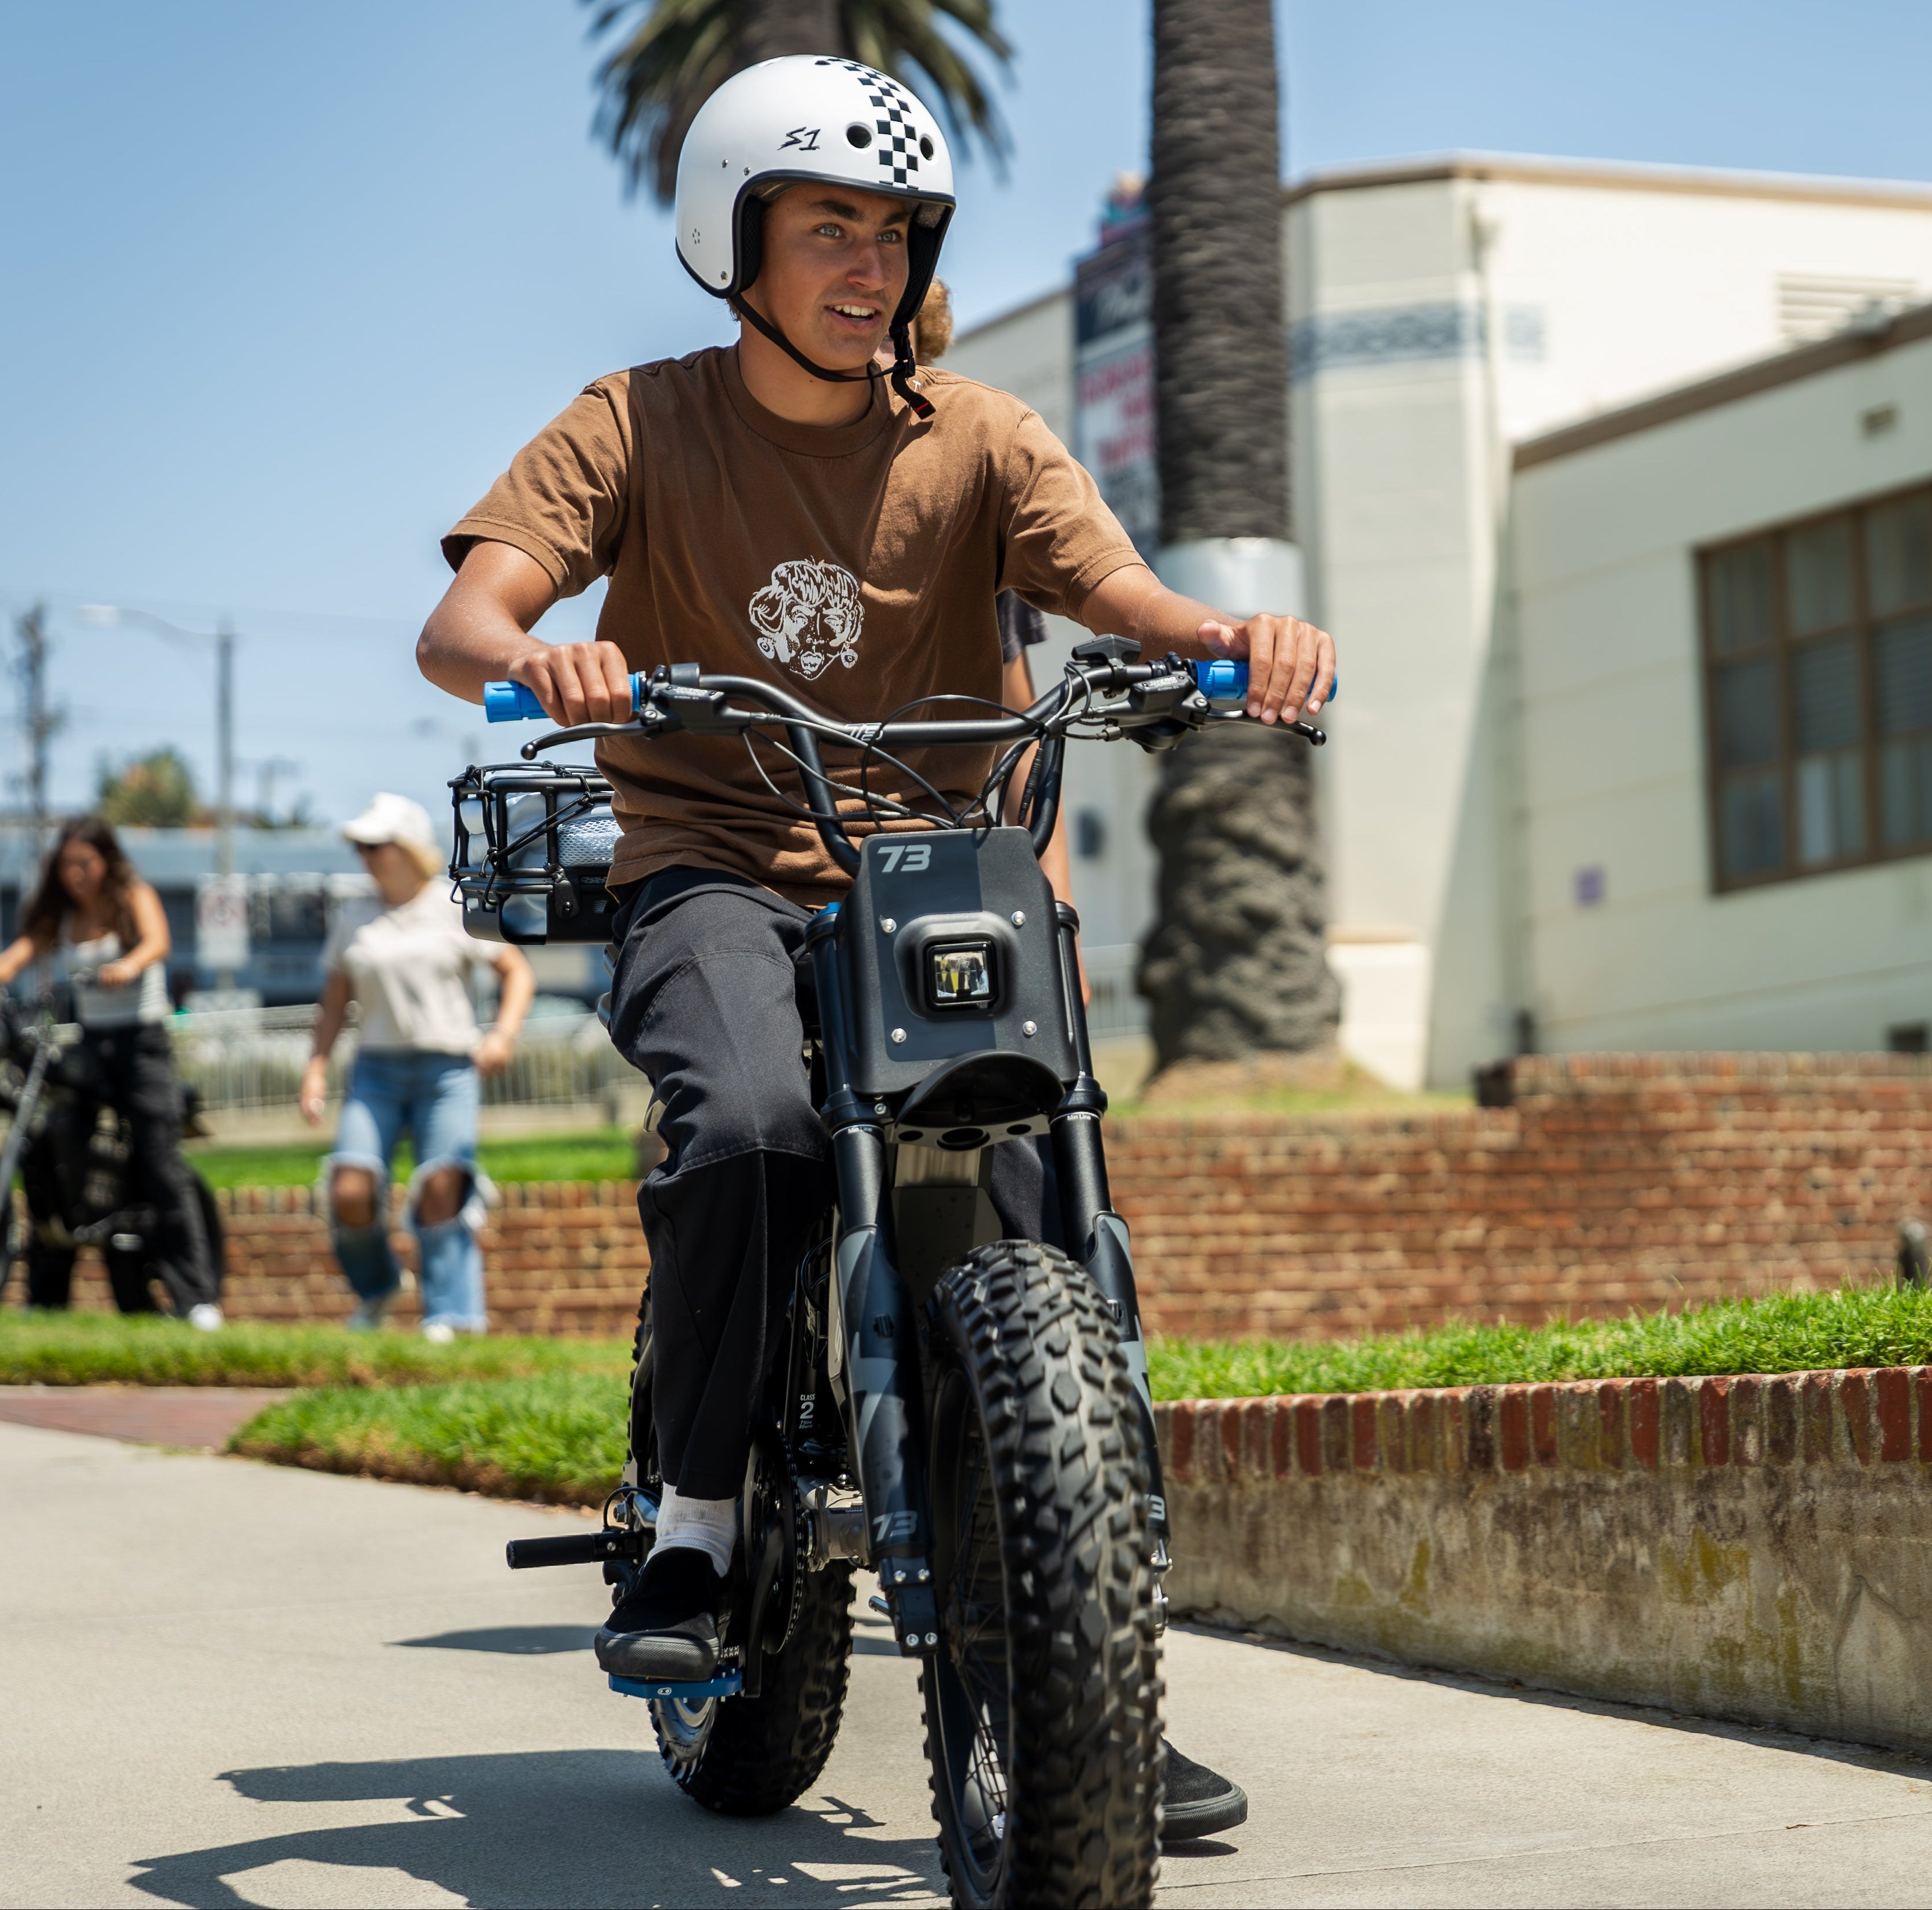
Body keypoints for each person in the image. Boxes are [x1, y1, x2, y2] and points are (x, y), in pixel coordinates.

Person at [413, 55, 1332, 1841]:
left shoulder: (981, 438)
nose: (870, 262)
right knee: (749, 1126)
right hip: (716, 866)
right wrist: (542, 658)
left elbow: (1121, 595)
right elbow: (467, 614)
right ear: (735, 240)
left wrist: (1230, 637)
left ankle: (1096, 1685)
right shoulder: (638, 422)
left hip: (945, 866)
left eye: (896, 230)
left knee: (1043, 1191)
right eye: (828, 224)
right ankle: (692, 1525)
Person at [0, 815, 219, 1326]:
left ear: (106, 861)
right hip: (93, 1044)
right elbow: (15, 959)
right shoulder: (61, 914)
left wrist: (129, 967)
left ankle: (197, 1297)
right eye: (67, 864)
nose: (76, 874)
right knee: (53, 1151)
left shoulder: (131, 894)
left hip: (143, 1043)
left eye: (85, 863)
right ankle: (45, 1300)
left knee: (160, 1163)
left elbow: (158, 942)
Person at [298, 792, 534, 1342]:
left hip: (446, 1071)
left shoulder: (451, 906)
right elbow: (334, 1001)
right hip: (375, 1070)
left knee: (440, 1188)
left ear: (408, 849)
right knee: (350, 1188)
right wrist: (315, 1068)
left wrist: (502, 1035)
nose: (365, 856)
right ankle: (378, 1286)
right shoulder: (352, 916)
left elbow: (517, 972)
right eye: (360, 847)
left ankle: (453, 1317)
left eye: (376, 846)